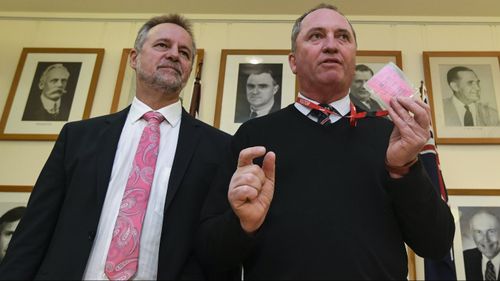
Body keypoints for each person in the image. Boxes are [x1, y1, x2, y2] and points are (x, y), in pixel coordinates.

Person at [197, 4, 455, 279]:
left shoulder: (393, 137)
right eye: (316, 36)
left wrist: (403, 169)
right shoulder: (253, 139)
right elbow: (210, 254)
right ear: (293, 62)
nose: (331, 45)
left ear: (353, 58)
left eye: (343, 37)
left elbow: (436, 243)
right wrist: (243, 224)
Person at [0, 14, 231, 280]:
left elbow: (218, 246)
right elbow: (33, 231)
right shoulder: (77, 137)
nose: (174, 55)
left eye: (185, 52)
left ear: (190, 68)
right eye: (162, 45)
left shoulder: (219, 148)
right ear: (134, 58)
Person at [463, 210, 500, 280]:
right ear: (472, 234)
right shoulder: (464, 259)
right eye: (479, 232)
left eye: (491, 231)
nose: (486, 239)